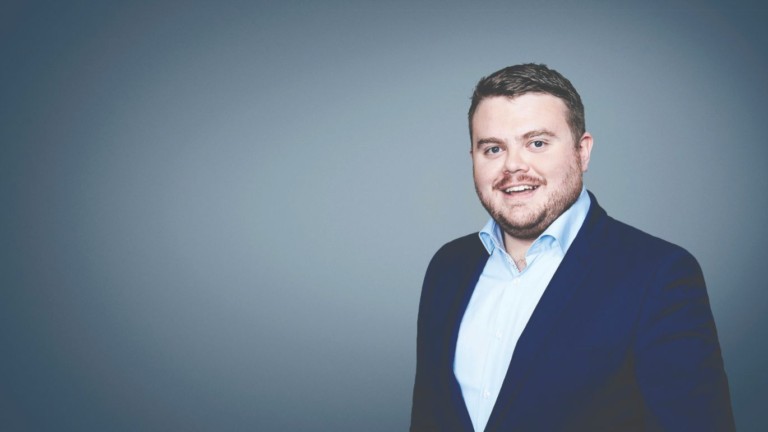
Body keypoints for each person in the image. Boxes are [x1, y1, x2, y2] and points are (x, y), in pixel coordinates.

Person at [410, 63, 735, 431]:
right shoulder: (448, 267)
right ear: (473, 158)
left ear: (582, 152)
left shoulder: (659, 275)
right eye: (493, 148)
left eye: (537, 143)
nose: (513, 166)